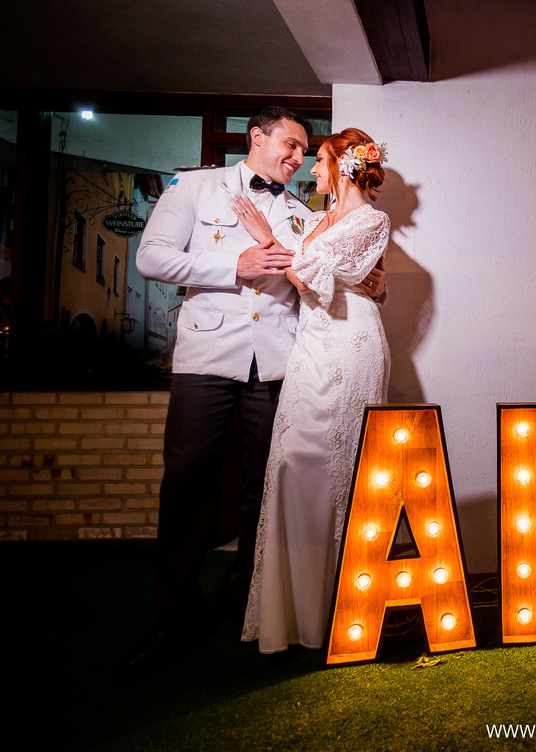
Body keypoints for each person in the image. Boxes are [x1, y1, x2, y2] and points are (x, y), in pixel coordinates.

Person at [129, 107, 384, 669]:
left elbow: (315, 275)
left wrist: (368, 285)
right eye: (290, 146)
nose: (297, 159)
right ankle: (173, 612)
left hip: (278, 365)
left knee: (261, 486)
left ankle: (247, 603)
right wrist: (232, 266)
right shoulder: (195, 185)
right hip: (207, 358)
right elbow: (150, 257)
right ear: (257, 136)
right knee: (188, 480)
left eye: (304, 152)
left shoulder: (302, 211)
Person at [233, 128, 392, 653]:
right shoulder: (318, 218)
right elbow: (313, 273)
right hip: (311, 345)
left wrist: (265, 239)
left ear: (343, 165)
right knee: (294, 464)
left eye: (320, 162)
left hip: (350, 343)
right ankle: (292, 615)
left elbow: (308, 276)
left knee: (339, 466)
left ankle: (338, 613)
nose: (311, 171)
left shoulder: (372, 219)